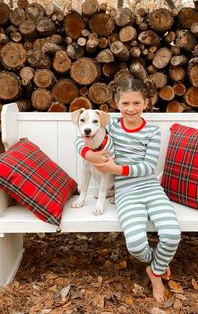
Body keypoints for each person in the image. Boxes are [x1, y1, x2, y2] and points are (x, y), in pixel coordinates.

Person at [75, 77, 181, 303]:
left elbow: (149, 166)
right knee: (135, 245)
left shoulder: (152, 131)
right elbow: (80, 137)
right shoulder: (109, 123)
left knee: (172, 235)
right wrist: (89, 154)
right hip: (125, 191)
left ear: (146, 103)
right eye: (125, 103)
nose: (130, 109)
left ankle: (155, 272)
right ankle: (158, 264)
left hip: (151, 188)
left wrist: (116, 168)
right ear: (116, 104)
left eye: (136, 103)